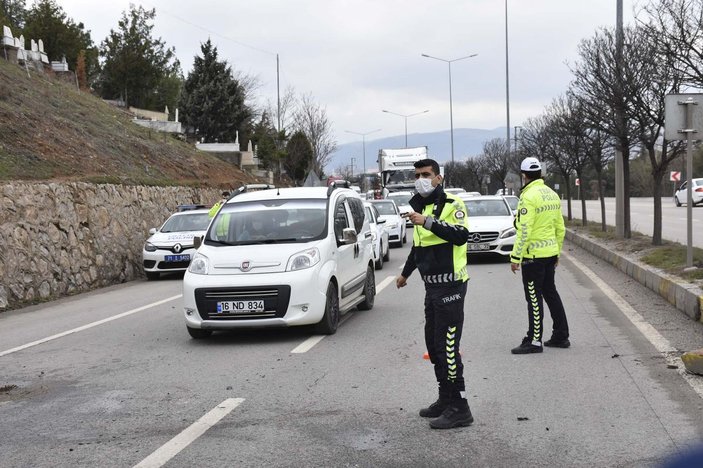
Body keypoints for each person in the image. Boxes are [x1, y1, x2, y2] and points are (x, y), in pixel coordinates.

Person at [396, 158, 472, 429]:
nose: (421, 179)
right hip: (432, 287)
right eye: (417, 175)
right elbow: (419, 248)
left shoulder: (453, 205)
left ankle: (460, 407)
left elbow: (461, 235)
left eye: (426, 174)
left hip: (451, 285)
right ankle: (445, 398)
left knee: (448, 348)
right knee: (434, 346)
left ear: (438, 177)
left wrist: (427, 221)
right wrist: (405, 274)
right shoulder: (420, 206)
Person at [509, 157, 570, 354]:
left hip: (532, 256)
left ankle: (535, 340)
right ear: (541, 174)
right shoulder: (552, 194)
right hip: (550, 253)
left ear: (523, 175)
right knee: (551, 294)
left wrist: (516, 257)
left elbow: (524, 229)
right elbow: (560, 227)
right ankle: (561, 336)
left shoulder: (528, 197)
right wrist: (557, 252)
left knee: (534, 298)